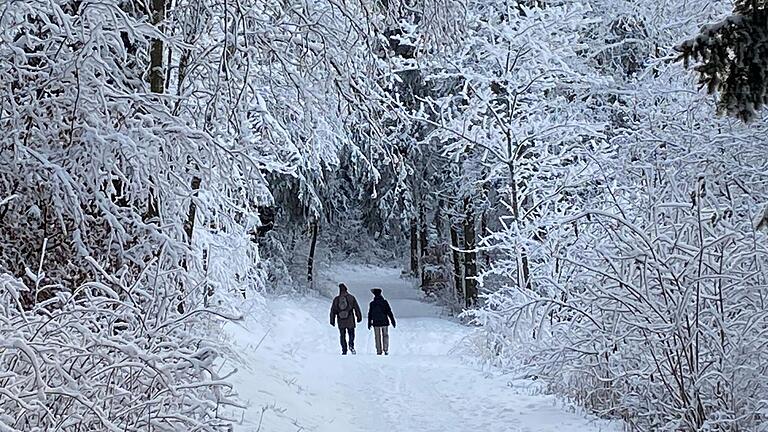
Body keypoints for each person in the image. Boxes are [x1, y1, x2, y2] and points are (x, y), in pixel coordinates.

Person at [330, 283, 362, 355]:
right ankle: (351, 345)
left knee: (342, 335)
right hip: (350, 319)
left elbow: (333, 310)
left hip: (341, 321)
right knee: (351, 334)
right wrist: (358, 317)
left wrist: (332, 320)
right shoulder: (351, 298)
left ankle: (344, 349)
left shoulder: (336, 299)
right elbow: (356, 308)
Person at [367, 288, 396, 355]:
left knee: (377, 337)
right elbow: (389, 312)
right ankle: (385, 349)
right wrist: (392, 320)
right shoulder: (385, 302)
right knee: (385, 335)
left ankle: (379, 350)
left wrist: (369, 322)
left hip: (376, 323)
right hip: (384, 322)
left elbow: (370, 314)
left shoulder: (372, 303)